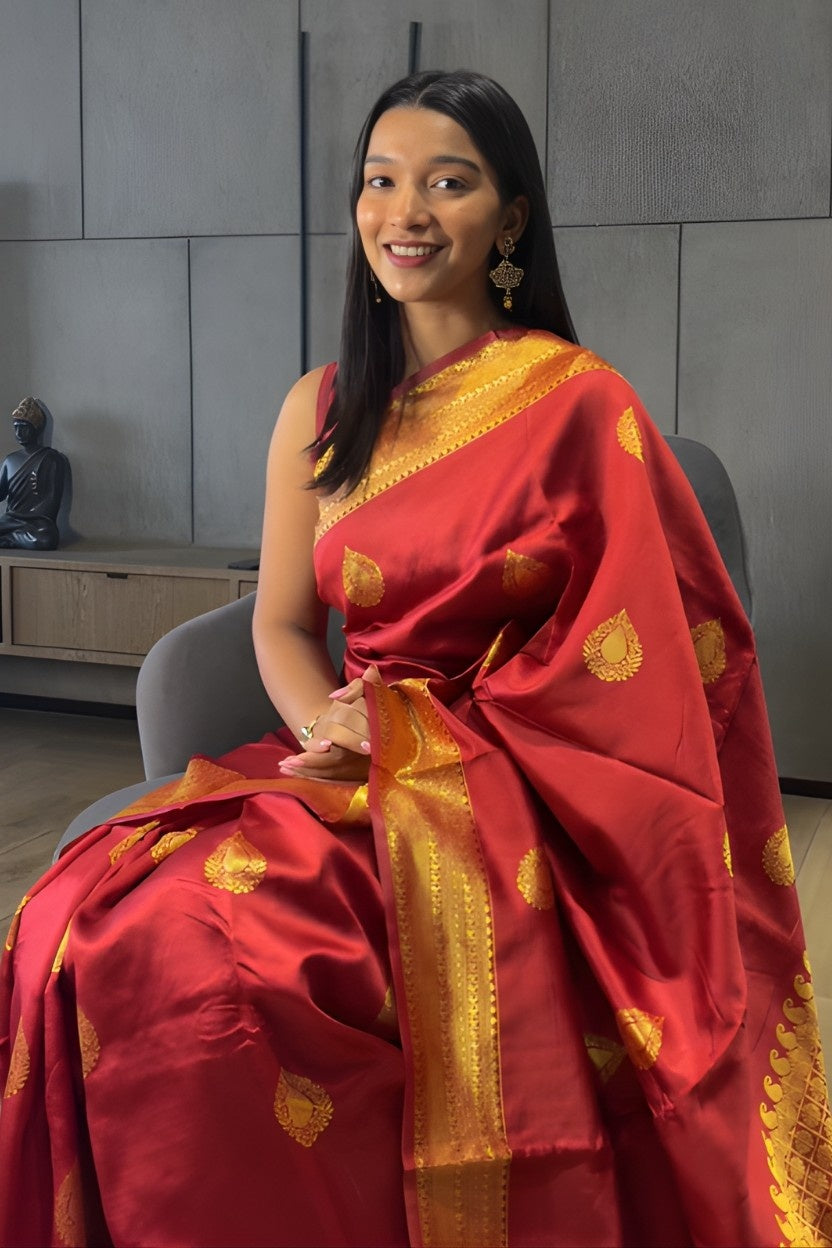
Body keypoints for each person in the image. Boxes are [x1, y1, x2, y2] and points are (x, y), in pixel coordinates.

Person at [1, 69, 830, 1248]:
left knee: (199, 948)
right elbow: (282, 625)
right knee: (76, 921)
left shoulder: (580, 407)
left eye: (450, 182)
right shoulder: (322, 406)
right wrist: (324, 727)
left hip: (521, 790)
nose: (408, 211)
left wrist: (423, 748)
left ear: (511, 216)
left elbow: (640, 670)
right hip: (348, 760)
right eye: (381, 182)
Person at [0, 397, 67, 550]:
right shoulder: (10, 460)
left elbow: (52, 499)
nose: (19, 432)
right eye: (16, 427)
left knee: (46, 539)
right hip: (11, 519)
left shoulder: (51, 459)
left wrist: (33, 516)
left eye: (24, 427)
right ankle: (13, 538)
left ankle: (9, 540)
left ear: (36, 428)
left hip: (38, 522)